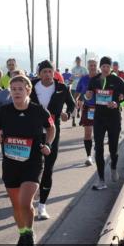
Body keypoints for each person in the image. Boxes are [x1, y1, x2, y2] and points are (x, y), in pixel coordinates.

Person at [0, 72, 55, 246]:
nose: (16, 92)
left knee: (25, 202)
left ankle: (30, 233)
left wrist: (47, 144)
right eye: (13, 89)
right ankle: (22, 233)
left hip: (32, 163)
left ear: (28, 90)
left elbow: (51, 128)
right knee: (16, 205)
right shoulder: (4, 111)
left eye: (20, 89)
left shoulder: (38, 110)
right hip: (10, 163)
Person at [29, 61, 75, 220]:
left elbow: (72, 104)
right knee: (33, 166)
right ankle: (31, 196)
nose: (47, 74)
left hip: (51, 132)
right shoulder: (30, 85)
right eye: (44, 72)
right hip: (32, 131)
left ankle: (42, 205)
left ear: (54, 72)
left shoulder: (62, 88)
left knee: (48, 167)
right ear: (39, 73)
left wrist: (67, 114)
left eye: (50, 71)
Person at [84, 56, 124, 189]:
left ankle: (113, 167)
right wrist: (87, 96)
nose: (105, 69)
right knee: (98, 148)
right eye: (103, 66)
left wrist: (117, 103)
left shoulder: (118, 80)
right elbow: (88, 95)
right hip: (99, 118)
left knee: (113, 149)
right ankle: (101, 180)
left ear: (111, 67)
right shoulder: (94, 80)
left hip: (113, 119)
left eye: (107, 66)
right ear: (100, 67)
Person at [75, 59, 99, 166]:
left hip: (100, 109)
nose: (93, 67)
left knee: (99, 133)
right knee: (88, 133)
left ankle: (97, 153)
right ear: (88, 67)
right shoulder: (84, 79)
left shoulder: (102, 78)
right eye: (91, 65)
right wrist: (76, 101)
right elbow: (79, 92)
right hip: (88, 108)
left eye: (94, 65)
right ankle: (89, 156)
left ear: (97, 66)